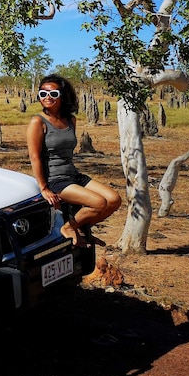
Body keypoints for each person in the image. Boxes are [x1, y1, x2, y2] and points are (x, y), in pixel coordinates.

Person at [26, 74, 121, 247]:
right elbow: (35, 156)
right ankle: (68, 228)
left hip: (72, 175)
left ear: (62, 95)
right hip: (56, 180)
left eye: (53, 93)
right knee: (99, 203)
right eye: (43, 93)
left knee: (114, 200)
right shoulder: (37, 122)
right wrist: (44, 188)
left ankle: (82, 229)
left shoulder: (71, 120)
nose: (47, 97)